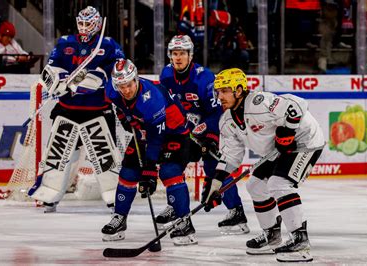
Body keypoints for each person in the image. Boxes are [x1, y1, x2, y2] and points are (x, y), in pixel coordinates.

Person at [201, 68, 325, 262]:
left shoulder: (259, 102)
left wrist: (288, 130)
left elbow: (298, 104)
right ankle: (272, 236)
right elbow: (230, 156)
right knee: (255, 185)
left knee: (279, 184)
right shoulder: (226, 121)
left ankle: (300, 240)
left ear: (239, 90)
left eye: (225, 90)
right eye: (218, 91)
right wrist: (215, 184)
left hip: (305, 141)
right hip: (277, 150)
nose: (220, 96)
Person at [28, 6, 125, 213]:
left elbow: (120, 67)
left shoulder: (107, 45)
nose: (83, 27)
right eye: (80, 23)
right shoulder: (65, 42)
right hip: (68, 109)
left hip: (98, 110)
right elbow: (52, 66)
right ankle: (50, 193)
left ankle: (114, 196)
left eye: (88, 23)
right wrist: (58, 79)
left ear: (97, 24)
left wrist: (101, 75)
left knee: (104, 154)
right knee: (59, 152)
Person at [159, 34, 249, 235]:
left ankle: (236, 212)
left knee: (214, 168)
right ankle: (175, 207)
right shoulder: (165, 75)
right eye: (174, 53)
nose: (178, 57)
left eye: (182, 53)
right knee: (172, 165)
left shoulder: (204, 78)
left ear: (190, 55)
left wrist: (209, 136)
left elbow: (219, 111)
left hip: (209, 129)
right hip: (183, 131)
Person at [101, 58, 197, 245]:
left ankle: (185, 223)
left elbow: (156, 139)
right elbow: (117, 106)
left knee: (169, 172)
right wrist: (124, 116)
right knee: (128, 171)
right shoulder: (112, 90)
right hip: (146, 129)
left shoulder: (151, 99)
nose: (126, 90)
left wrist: (149, 172)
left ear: (136, 79)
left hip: (175, 132)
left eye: (129, 84)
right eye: (121, 86)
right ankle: (119, 218)